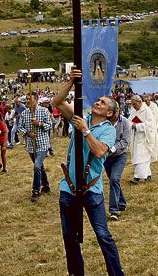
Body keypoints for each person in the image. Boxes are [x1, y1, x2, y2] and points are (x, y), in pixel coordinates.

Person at [54, 70, 124, 276]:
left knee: (103, 235)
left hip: (91, 188)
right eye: (99, 100)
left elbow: (101, 151)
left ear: (109, 113)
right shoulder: (80, 116)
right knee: (69, 236)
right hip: (69, 186)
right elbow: (57, 102)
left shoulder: (108, 129)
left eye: (103, 103)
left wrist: (85, 130)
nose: (98, 103)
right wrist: (71, 82)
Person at [23, 92, 53, 202]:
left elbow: (49, 125)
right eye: (26, 99)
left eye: (29, 99)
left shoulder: (44, 111)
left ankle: (35, 191)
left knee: (36, 166)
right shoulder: (25, 113)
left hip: (42, 144)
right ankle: (46, 185)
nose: (27, 101)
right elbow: (20, 127)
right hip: (31, 145)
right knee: (39, 167)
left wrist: (38, 123)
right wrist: (28, 133)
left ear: (36, 100)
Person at [104, 99, 130, 221]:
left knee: (114, 179)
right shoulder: (104, 122)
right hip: (107, 157)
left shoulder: (125, 122)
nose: (117, 112)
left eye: (118, 110)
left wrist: (113, 148)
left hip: (120, 155)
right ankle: (122, 203)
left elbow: (125, 141)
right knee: (114, 181)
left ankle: (114, 210)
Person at [129, 95, 158, 183]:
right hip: (136, 137)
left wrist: (137, 126)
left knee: (142, 156)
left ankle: (138, 177)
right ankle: (148, 174)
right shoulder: (134, 111)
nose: (133, 106)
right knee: (139, 156)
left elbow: (150, 125)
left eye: (134, 104)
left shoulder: (147, 111)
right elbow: (129, 120)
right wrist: (130, 124)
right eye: (132, 105)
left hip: (145, 137)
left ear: (139, 102)